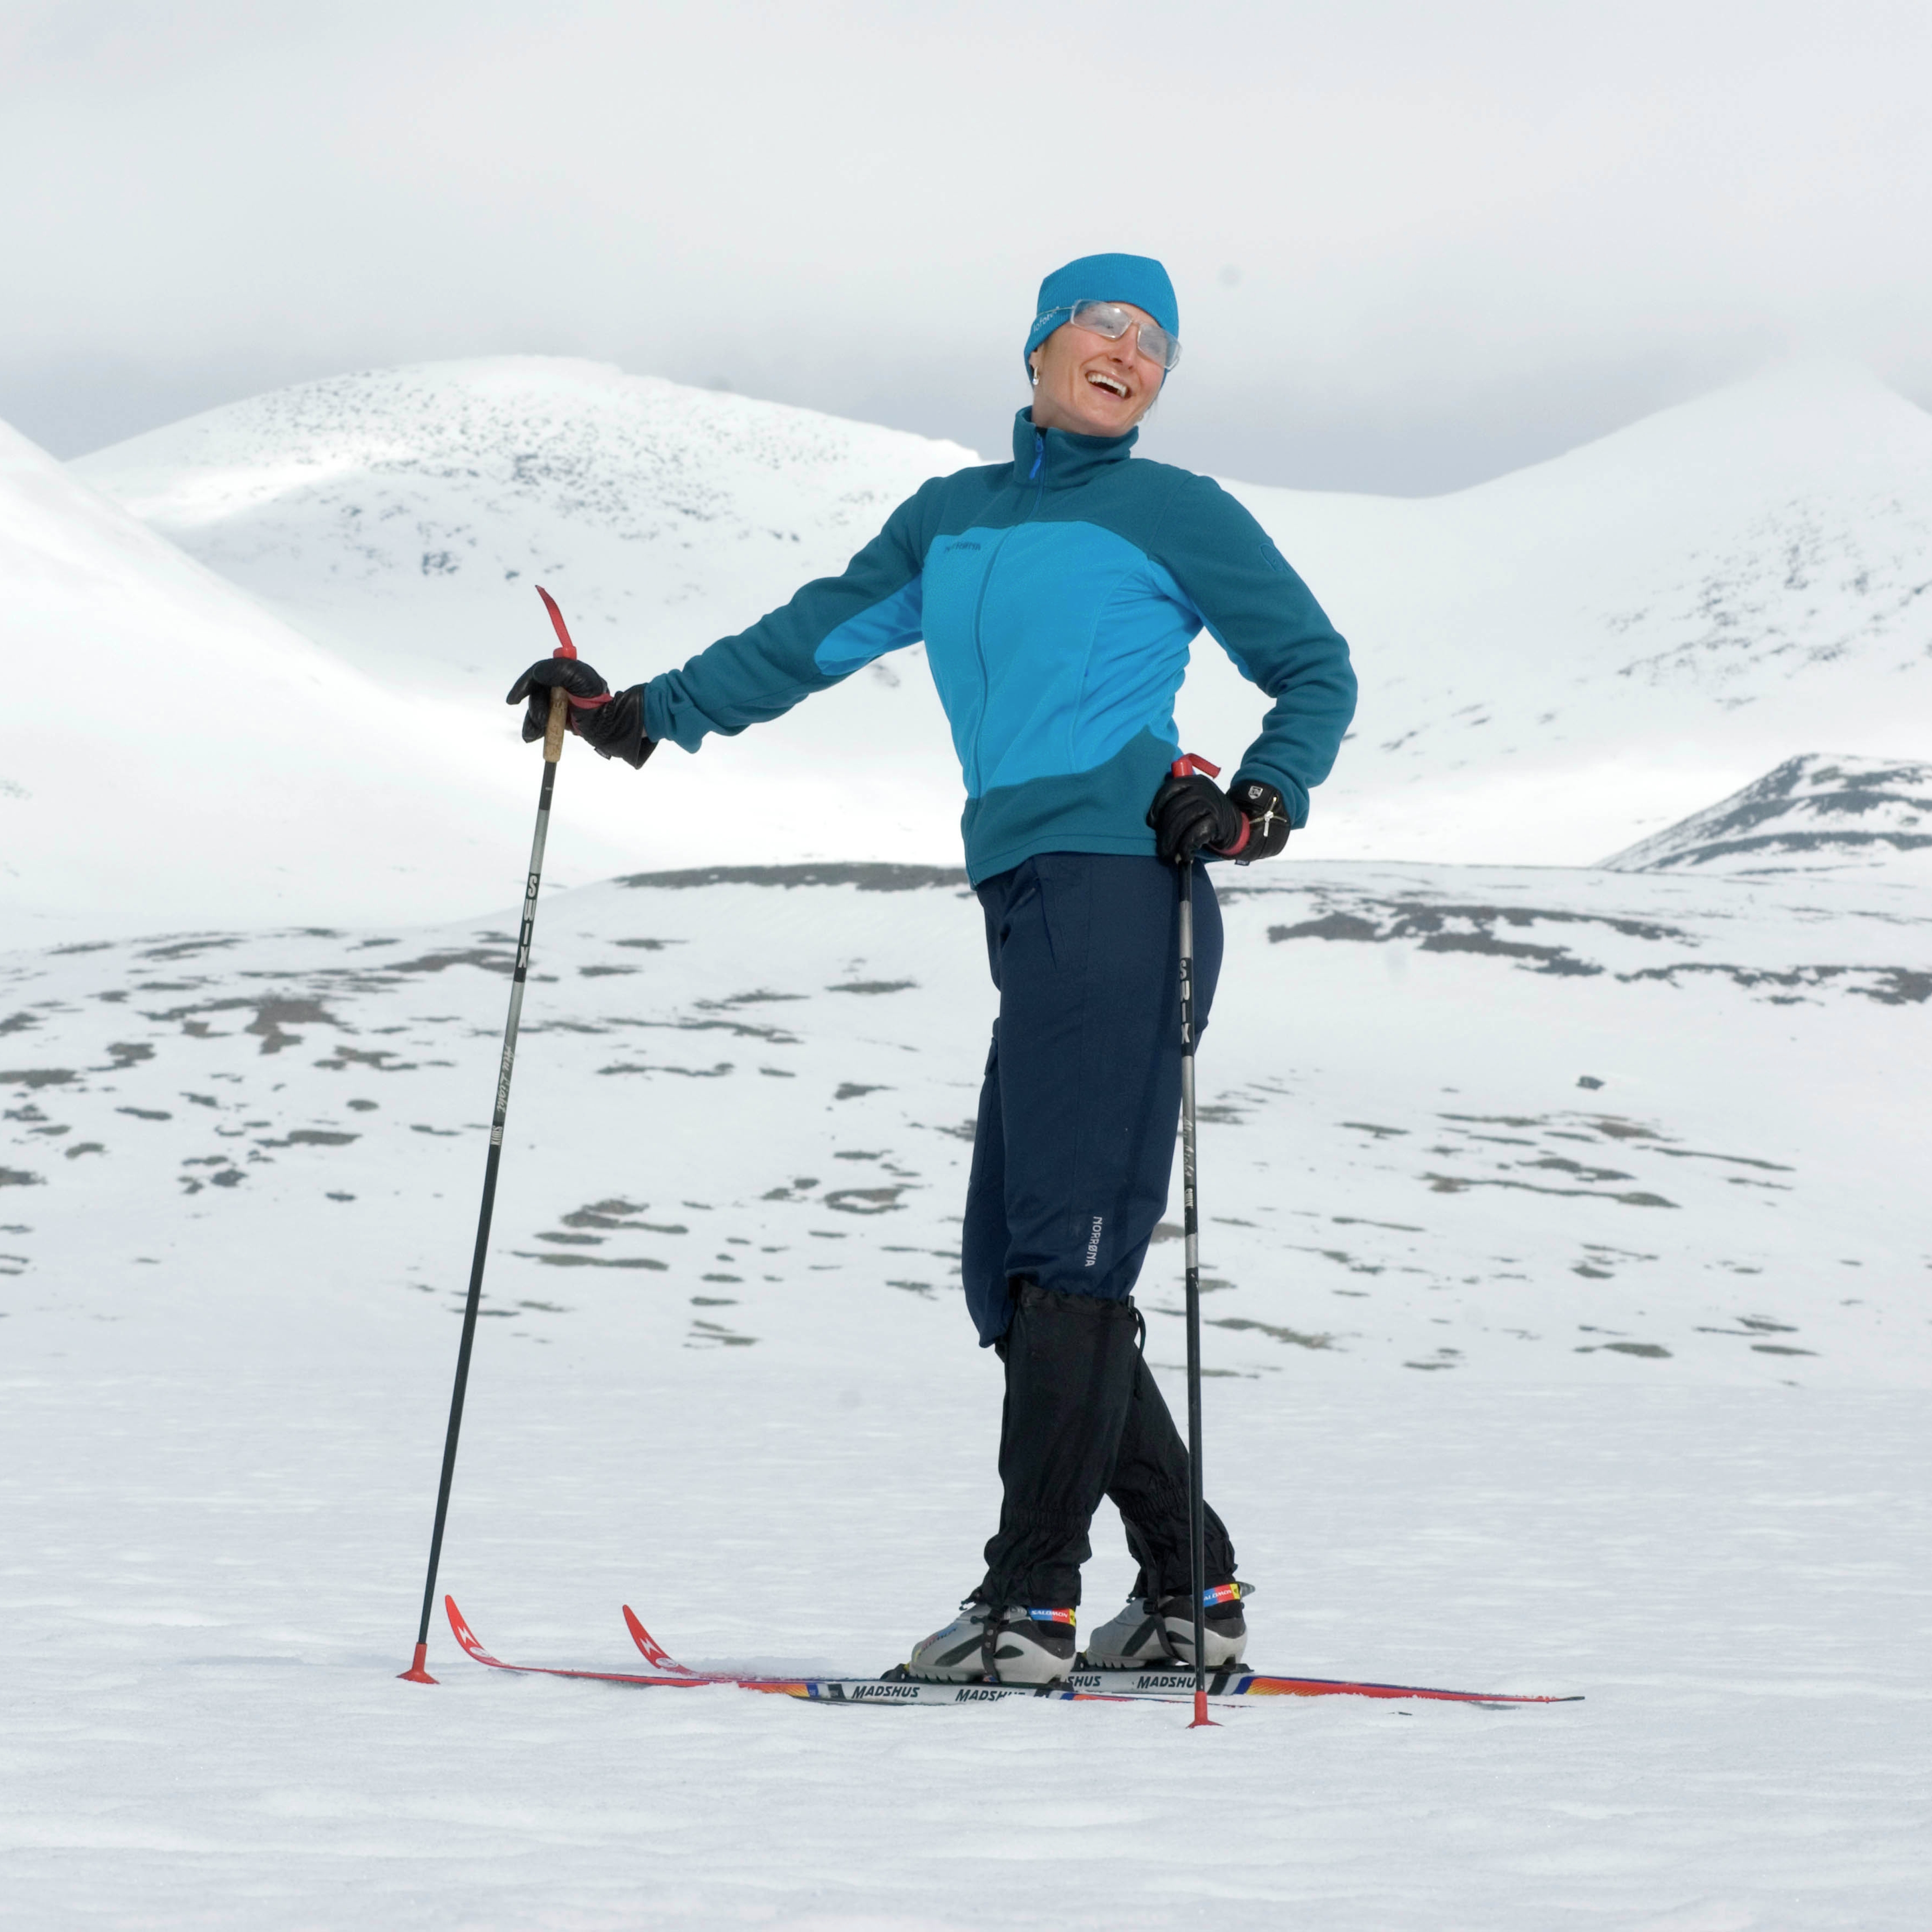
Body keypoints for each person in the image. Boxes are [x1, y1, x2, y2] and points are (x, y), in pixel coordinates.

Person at [508, 253, 1356, 1684]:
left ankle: (1027, 1608)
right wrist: (642, 714)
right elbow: (810, 637)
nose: (1130, 353)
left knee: (1068, 1259)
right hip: (1025, 895)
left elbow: (1314, 668)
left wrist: (1256, 803)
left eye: (1156, 344)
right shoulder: (951, 519)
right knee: (1013, 1278)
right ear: (1040, 345)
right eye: (1105, 325)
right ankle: (1187, 1589)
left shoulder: (1177, 513)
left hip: (1126, 882)